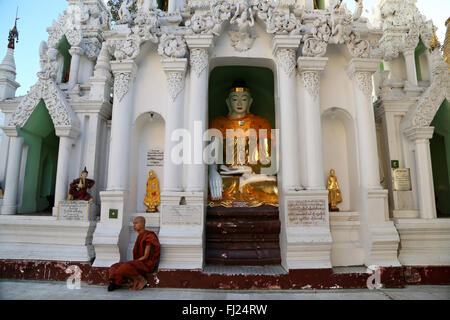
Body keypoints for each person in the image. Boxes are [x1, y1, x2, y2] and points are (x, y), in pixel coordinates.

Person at [108, 217, 161, 291]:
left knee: (124, 267)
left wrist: (133, 262)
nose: (134, 225)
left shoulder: (149, 235)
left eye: (136, 223)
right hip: (138, 263)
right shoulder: (140, 236)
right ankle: (115, 283)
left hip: (146, 264)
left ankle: (141, 280)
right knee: (114, 266)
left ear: (142, 224)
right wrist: (133, 262)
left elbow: (145, 256)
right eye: (133, 223)